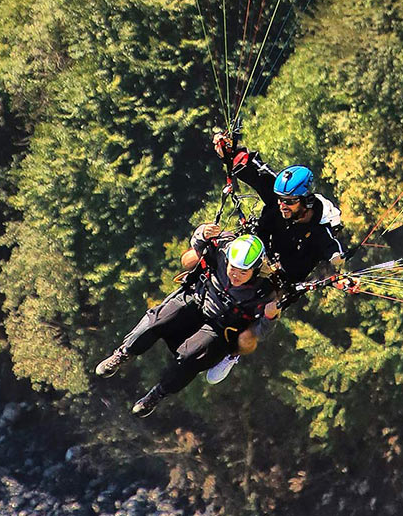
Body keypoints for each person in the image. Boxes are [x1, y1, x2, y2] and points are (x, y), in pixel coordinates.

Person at [205, 134, 348, 383]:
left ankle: (232, 354)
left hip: (284, 281)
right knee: (212, 246)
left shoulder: (320, 227)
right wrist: (228, 151)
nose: (283, 206)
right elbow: (251, 167)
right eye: (281, 200)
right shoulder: (276, 197)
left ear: (306, 200)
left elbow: (333, 251)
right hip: (259, 254)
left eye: (290, 202)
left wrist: (341, 270)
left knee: (254, 326)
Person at [95, 228, 280, 417]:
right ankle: (123, 354)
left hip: (219, 324)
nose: (235, 275)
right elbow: (198, 246)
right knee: (156, 320)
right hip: (196, 300)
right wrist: (202, 233)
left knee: (191, 356)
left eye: (243, 272)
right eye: (232, 268)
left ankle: (158, 393)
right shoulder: (223, 248)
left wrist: (270, 317)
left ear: (255, 270)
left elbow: (259, 332)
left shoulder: (264, 293)